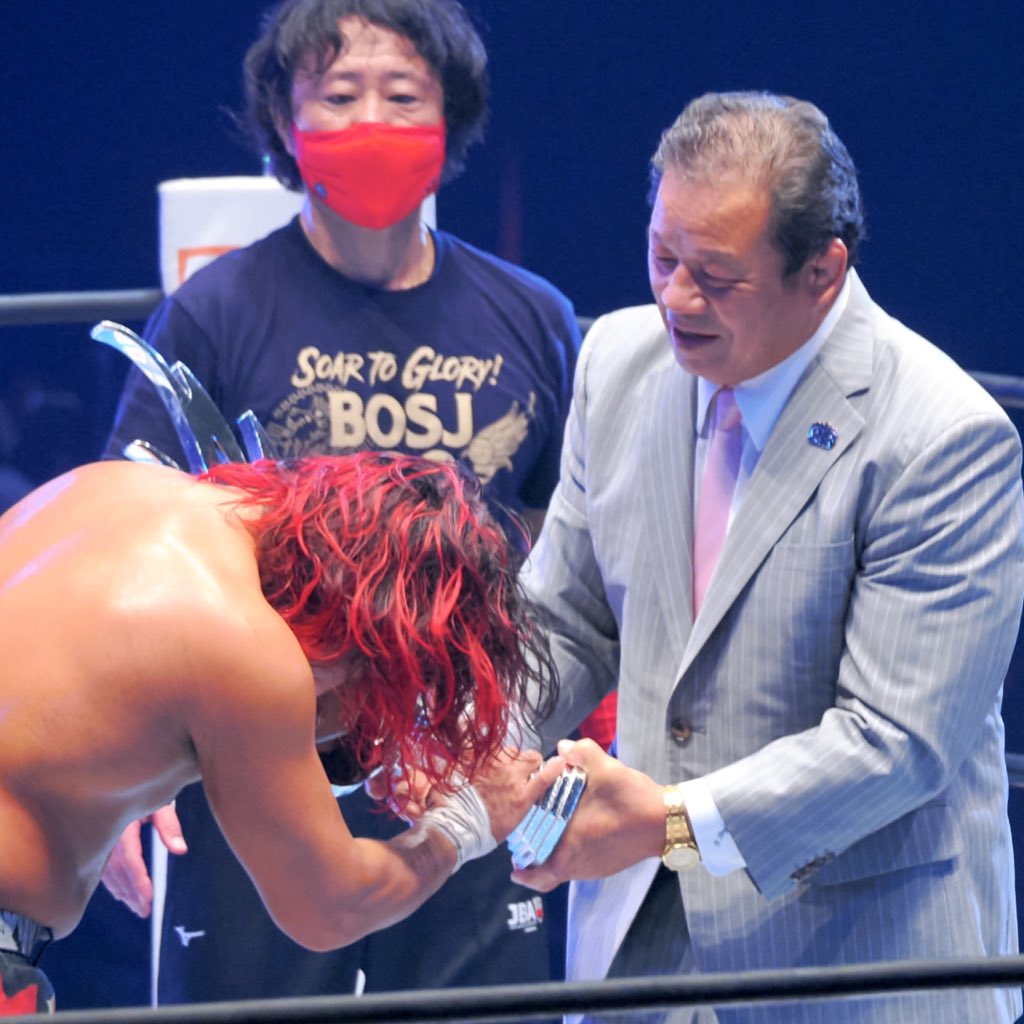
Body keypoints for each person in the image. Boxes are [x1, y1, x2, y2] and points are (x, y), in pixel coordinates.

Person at [100, 0, 580, 1011]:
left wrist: (556, 733)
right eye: (339, 94)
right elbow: (127, 551)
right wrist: (121, 776)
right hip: (259, 764)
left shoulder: (534, 318)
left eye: (402, 95)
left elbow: (566, 556)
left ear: (451, 117)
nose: (371, 121)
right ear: (285, 119)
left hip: (472, 759)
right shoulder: (214, 313)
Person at [508, 91, 1024, 1022]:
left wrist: (669, 824)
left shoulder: (943, 436)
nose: (675, 298)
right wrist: (477, 740)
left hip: (857, 963)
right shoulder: (617, 361)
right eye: (662, 256)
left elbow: (896, 742)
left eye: (716, 275)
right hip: (636, 949)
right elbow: (564, 616)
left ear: (823, 271)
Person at [0, 453, 563, 1016]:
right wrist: (464, 823)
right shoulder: (243, 645)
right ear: (369, 640)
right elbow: (330, 905)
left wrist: (366, 757)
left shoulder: (116, 488)